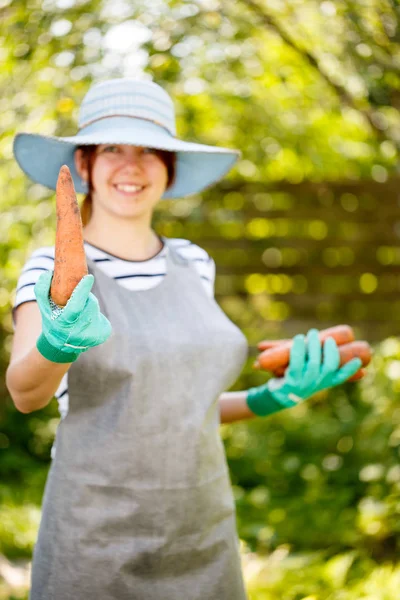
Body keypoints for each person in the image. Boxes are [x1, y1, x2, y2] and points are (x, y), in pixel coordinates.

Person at [6, 78, 362, 600]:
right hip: (94, 539)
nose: (132, 165)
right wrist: (57, 345)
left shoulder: (194, 262)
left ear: (169, 168)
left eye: (151, 151)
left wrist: (274, 397)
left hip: (200, 532)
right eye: (111, 149)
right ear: (84, 166)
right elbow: (25, 393)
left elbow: (176, 406)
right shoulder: (54, 269)